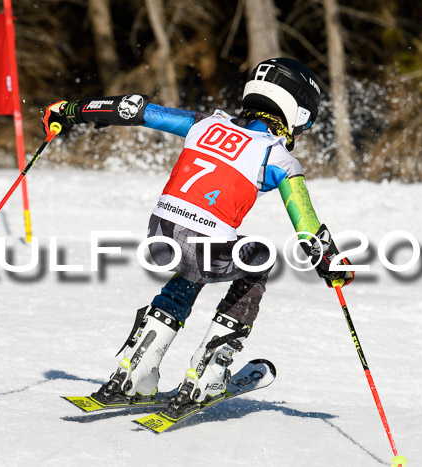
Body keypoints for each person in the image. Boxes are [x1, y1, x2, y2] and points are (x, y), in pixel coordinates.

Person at [42, 57, 354, 416]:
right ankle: (207, 375)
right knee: (260, 259)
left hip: (160, 238)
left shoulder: (207, 122)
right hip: (203, 244)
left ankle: (135, 372)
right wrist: (332, 263)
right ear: (297, 112)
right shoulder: (279, 157)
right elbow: (308, 228)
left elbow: (136, 109)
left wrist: (71, 110)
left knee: (193, 269)